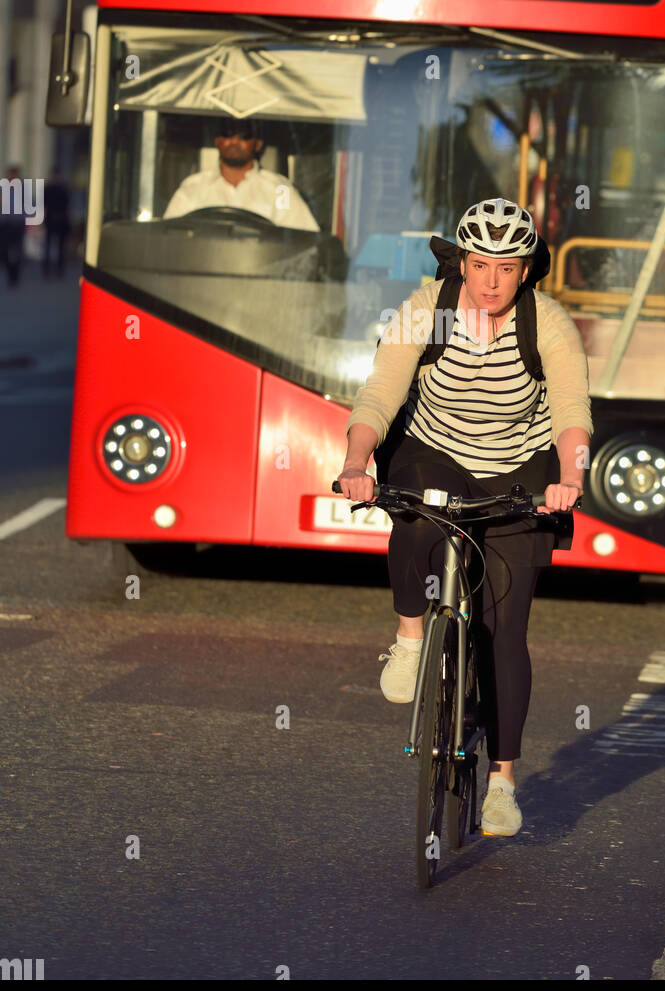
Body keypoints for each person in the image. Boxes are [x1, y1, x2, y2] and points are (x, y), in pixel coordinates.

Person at [335, 199, 593, 838]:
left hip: (520, 467)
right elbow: (382, 389)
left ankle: (502, 781)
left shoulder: (549, 324)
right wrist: (355, 462)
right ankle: (409, 637)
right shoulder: (426, 308)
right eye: (480, 265)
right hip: (437, 450)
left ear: (527, 270)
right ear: (463, 262)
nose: (491, 281)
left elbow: (572, 413)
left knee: (505, 632)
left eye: (507, 268)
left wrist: (570, 479)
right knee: (416, 513)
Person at [163, 117, 319, 230]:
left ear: (258, 144)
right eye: (227, 133)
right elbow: (167, 236)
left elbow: (302, 239)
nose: (235, 141)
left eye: (245, 135)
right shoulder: (192, 189)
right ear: (217, 141)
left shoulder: (280, 190)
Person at [0, 164, 26, 286]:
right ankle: (10, 274)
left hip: (17, 225)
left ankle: (15, 277)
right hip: (5, 224)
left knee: (16, 252)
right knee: (4, 251)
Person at [42, 167, 70, 278]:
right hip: (50, 219)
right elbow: (44, 204)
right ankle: (47, 269)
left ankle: (59, 269)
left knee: (60, 247)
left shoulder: (63, 189)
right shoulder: (48, 188)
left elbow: (67, 205)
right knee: (48, 245)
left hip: (61, 220)